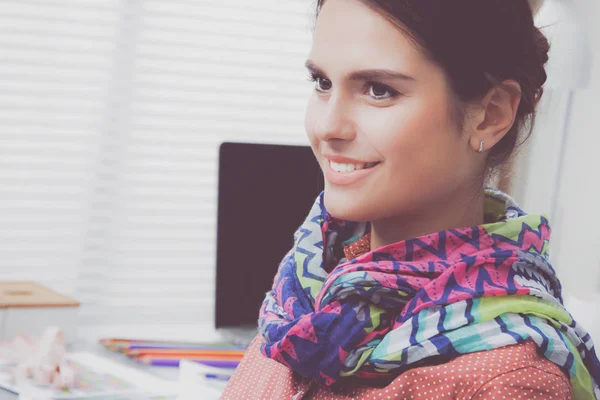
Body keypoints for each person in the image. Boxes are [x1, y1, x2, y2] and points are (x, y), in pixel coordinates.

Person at [222, 0, 600, 398]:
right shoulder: (300, 295)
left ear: (489, 114)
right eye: (322, 83)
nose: (327, 126)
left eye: (378, 90)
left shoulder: (507, 383)